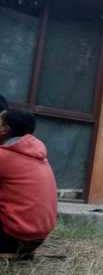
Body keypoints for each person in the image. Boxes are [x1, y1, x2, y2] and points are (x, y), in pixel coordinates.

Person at [0, 107, 58, 258]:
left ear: (5, 129)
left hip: (12, 238)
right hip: (34, 240)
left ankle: (10, 251)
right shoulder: (35, 153)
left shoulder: (4, 156)